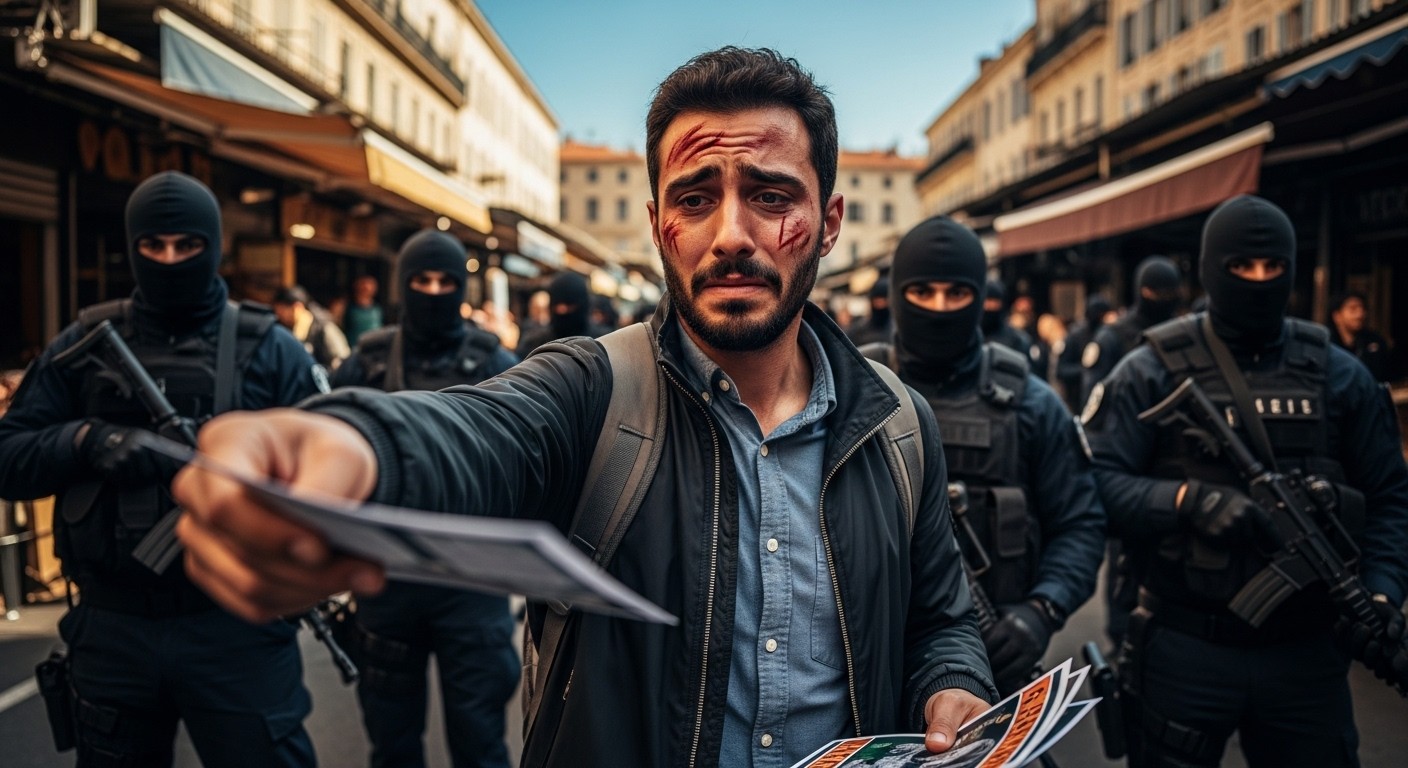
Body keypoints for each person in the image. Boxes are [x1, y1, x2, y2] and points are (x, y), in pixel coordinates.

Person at [172, 46, 995, 768]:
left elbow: (941, 617)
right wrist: (351, 448)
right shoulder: (595, 391)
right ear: (659, 224)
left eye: (772, 196)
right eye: (696, 198)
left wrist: (954, 683)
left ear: (830, 221)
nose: (731, 235)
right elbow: (481, 430)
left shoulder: (897, 423)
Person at [0, 171, 325, 767]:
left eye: (187, 245)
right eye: (153, 246)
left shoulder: (271, 349)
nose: (170, 260)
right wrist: (86, 440)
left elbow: (327, 477)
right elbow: (8, 457)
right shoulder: (84, 344)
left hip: (236, 625)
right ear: (133, 247)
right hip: (113, 624)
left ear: (214, 246)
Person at [1083, 195, 1408, 767]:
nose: (1258, 281)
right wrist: (1184, 500)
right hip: (1184, 643)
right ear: (1213, 268)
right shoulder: (1149, 370)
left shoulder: (1340, 375)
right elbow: (1093, 487)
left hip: (1307, 651)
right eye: (1241, 266)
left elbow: (1389, 499)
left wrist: (1382, 591)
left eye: (1272, 266)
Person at [861, 216, 1104, 696]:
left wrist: (1041, 611)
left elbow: (1080, 523)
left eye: (957, 294)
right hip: (868, 664)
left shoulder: (1031, 404)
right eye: (922, 292)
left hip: (994, 662)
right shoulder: (851, 391)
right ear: (897, 295)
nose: (939, 309)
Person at [332, 230, 519, 768]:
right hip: (387, 578)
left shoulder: (493, 361)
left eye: (445, 282)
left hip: (471, 580)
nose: (434, 292)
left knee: (480, 743)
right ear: (402, 285)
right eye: (421, 281)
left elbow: (527, 457)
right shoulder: (367, 363)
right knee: (392, 743)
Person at [1079, 255, 1180, 405]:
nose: (1164, 299)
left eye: (1169, 293)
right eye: (1157, 293)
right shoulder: (1112, 336)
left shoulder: (1181, 332)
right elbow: (1094, 396)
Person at [514, 271, 611, 356]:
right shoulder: (533, 343)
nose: (563, 311)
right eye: (558, 305)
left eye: (570, 305)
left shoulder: (602, 342)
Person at [272, 284, 351, 371]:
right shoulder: (284, 328)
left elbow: (342, 359)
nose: (279, 316)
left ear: (297, 307)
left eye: (282, 311)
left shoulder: (323, 327)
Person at [1055, 296, 1110, 413]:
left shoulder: (1109, 336)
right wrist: (1086, 371)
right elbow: (1061, 370)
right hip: (1077, 401)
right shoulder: (1075, 336)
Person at [1330, 291, 1399, 383]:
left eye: (1362, 309)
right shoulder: (1328, 343)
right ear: (1337, 316)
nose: (1360, 315)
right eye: (1353, 309)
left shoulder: (1375, 341)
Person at [981, 279, 1032, 362]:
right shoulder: (971, 337)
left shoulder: (1017, 340)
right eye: (986, 300)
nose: (988, 305)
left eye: (993, 300)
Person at [845, 277, 893, 348]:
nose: (880, 304)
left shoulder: (898, 329)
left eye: (884, 301)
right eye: (877, 301)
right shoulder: (858, 331)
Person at [343, 275, 384, 347]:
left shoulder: (378, 309)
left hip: (375, 347)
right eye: (363, 287)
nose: (366, 289)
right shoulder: (347, 308)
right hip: (354, 347)